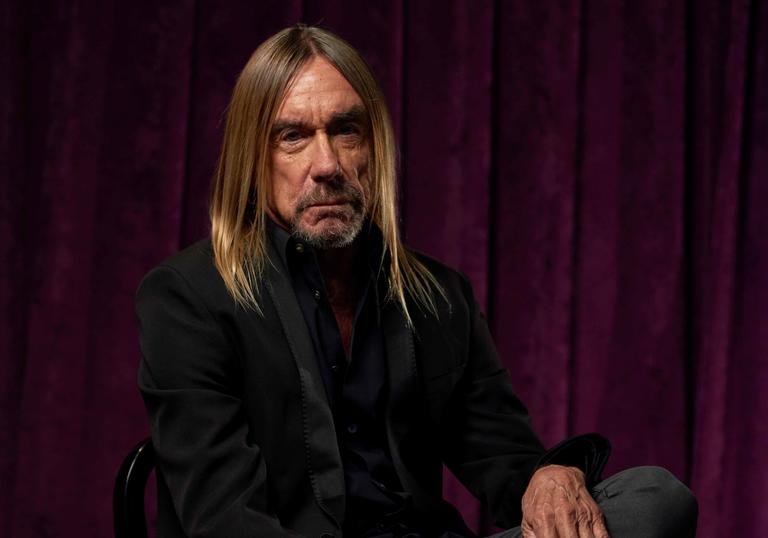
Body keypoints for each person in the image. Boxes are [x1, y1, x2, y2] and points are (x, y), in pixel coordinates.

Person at [136, 25, 697, 538]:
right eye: (293, 136)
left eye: (346, 130)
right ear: (252, 157)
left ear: (373, 146)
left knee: (654, 497)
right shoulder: (189, 297)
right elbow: (224, 519)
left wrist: (549, 475)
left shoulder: (436, 295)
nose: (327, 163)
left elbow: (507, 463)